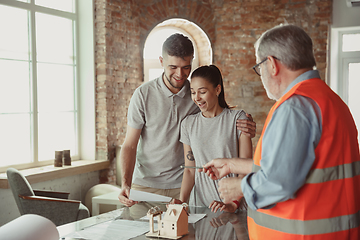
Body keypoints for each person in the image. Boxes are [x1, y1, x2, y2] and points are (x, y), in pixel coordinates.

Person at [201, 24, 360, 239]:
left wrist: (239, 187)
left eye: (259, 67)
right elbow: (298, 166)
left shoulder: (294, 107)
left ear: (272, 64)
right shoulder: (331, 101)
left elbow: (279, 181)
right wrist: (232, 164)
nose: (261, 75)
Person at [118, 33, 257, 207]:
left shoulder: (196, 94)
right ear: (161, 61)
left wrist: (246, 126)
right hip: (146, 186)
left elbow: (219, 114)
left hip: (182, 186)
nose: (180, 74)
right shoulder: (143, 95)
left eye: (186, 67)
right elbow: (130, 145)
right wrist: (125, 183)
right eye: (173, 67)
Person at [171, 65, 253, 213]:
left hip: (237, 208)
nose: (197, 98)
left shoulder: (238, 119)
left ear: (217, 90)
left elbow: (246, 167)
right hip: (203, 208)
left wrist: (233, 204)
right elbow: (190, 169)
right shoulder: (188, 124)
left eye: (202, 92)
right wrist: (182, 202)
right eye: (193, 92)